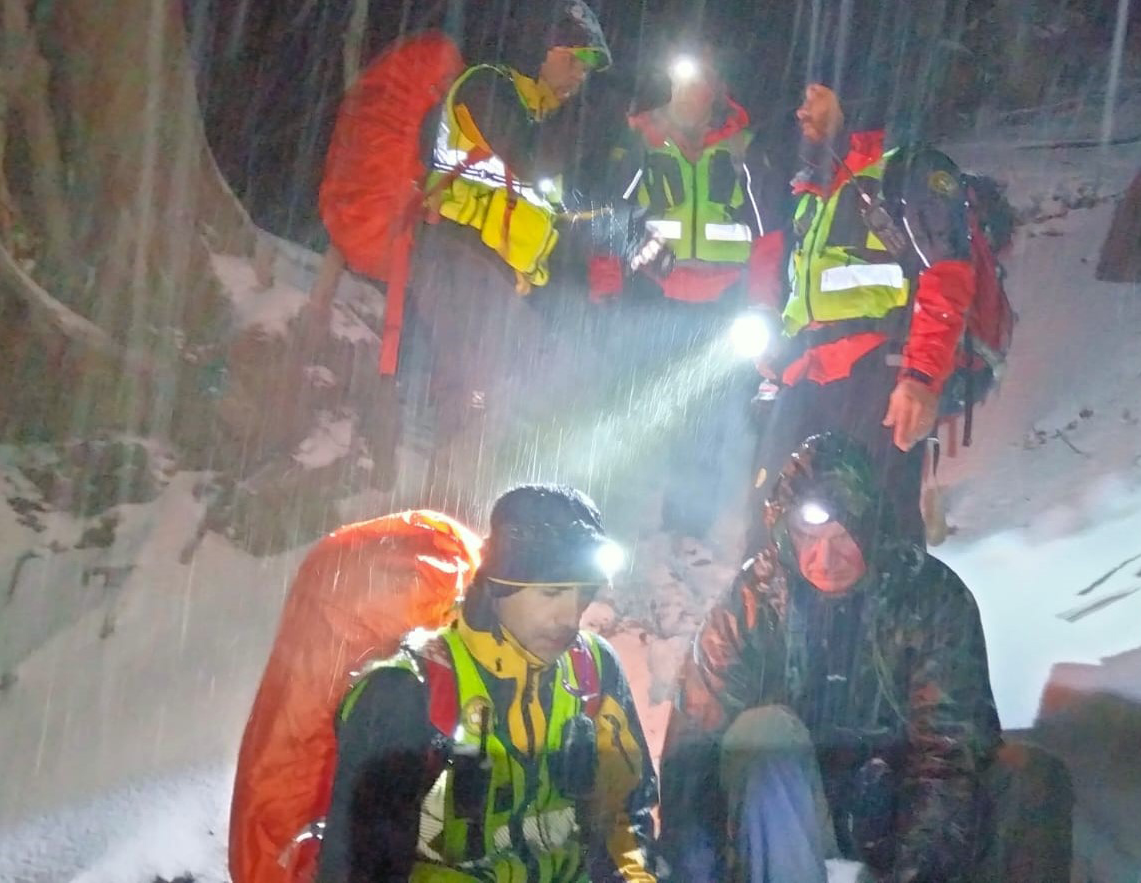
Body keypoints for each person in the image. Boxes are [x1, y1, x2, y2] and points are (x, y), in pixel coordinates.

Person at [657, 432, 1073, 882]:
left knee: (1029, 775)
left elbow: (950, 753)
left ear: (871, 526)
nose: (824, 557)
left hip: (902, 818)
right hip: (792, 827)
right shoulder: (751, 603)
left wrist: (912, 874)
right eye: (807, 537)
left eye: (843, 537)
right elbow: (692, 751)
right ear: (784, 533)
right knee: (763, 733)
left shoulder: (930, 596)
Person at [315, 484, 660, 883]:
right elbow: (362, 869)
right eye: (552, 593)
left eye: (583, 595)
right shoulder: (407, 691)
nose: (571, 616)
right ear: (499, 584)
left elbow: (626, 815)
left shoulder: (594, 670)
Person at [394, 0, 618, 514]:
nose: (579, 76)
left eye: (587, 68)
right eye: (574, 60)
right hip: (456, 256)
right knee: (479, 395)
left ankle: (470, 513)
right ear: (542, 46)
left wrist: (631, 237)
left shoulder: (543, 115)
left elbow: (566, 205)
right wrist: (592, 116)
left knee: (511, 392)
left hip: (497, 278)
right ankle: (448, 518)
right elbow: (532, 157)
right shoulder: (486, 87)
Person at [750, 80, 977, 544]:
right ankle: (781, 617)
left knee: (877, 528)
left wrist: (920, 378)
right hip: (804, 378)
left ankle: (901, 618)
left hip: (876, 378)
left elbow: (947, 277)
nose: (801, 111)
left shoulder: (908, 172)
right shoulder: (813, 185)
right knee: (776, 523)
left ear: (850, 95)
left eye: (813, 96)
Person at [587, 40, 788, 541]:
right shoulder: (643, 136)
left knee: (704, 416)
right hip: (654, 297)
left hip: (723, 303)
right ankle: (611, 514)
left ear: (717, 87)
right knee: (635, 407)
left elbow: (767, 232)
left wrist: (763, 302)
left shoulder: (743, 147)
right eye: (682, 80)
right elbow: (612, 212)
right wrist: (607, 282)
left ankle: (686, 529)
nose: (690, 92)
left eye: (701, 82)